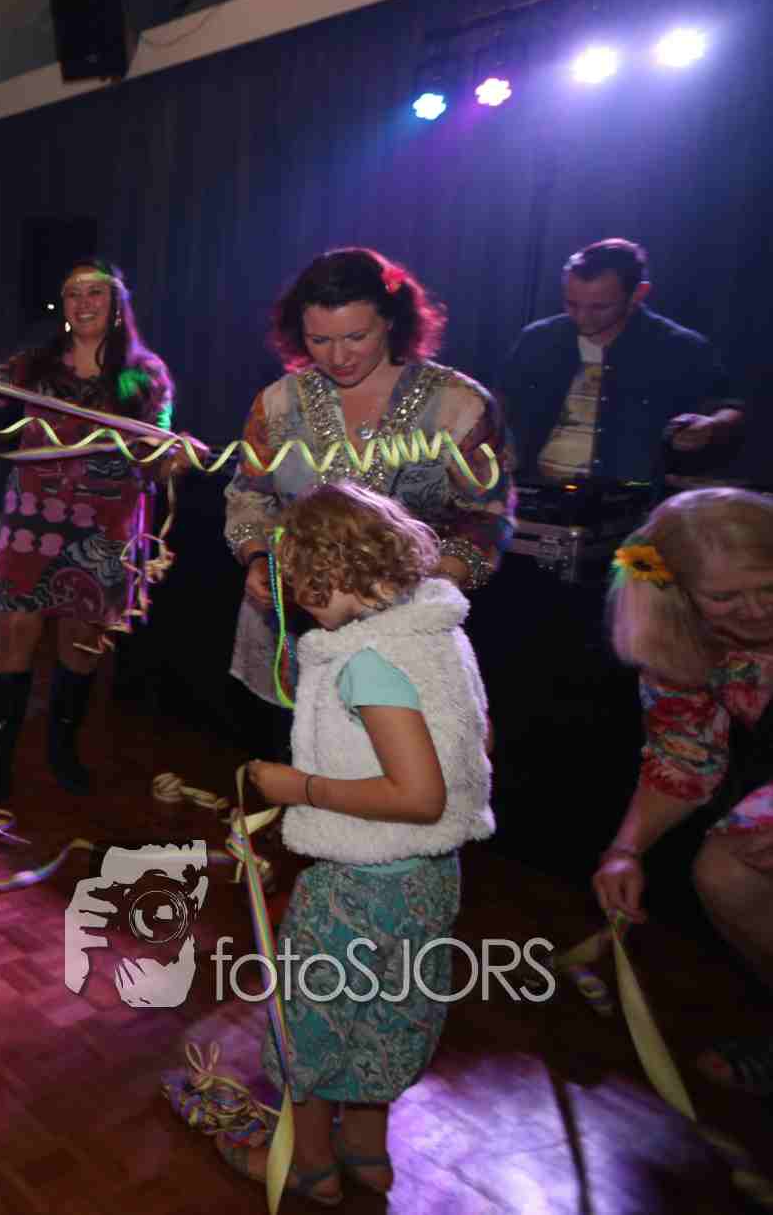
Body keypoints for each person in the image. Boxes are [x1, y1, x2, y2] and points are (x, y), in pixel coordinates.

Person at [234, 482, 497, 1204]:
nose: (303, 604)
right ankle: (367, 1153)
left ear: (345, 575)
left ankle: (311, 1164)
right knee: (388, 1014)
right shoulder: (439, 633)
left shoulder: (367, 661)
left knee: (313, 1018)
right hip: (431, 881)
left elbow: (418, 796)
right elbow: (477, 743)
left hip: (360, 885)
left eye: (308, 587)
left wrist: (300, 787)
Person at [225, 249, 514, 722]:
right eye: (319, 340)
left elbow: (488, 516)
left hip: (410, 630)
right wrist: (257, 557)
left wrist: (433, 586)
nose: (338, 357)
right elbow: (249, 495)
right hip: (297, 625)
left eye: (356, 337)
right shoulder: (279, 403)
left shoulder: (458, 405)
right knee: (299, 749)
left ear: (393, 322)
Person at [0, 260, 177, 802]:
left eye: (95, 292)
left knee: (81, 642)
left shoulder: (144, 374)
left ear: (116, 303)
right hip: (32, 520)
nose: (83, 303)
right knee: (14, 634)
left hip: (105, 527)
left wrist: (170, 456)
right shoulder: (35, 364)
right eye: (72, 293)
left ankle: (63, 752)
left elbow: (157, 455)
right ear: (63, 305)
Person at [593, 489, 773, 1095]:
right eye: (726, 597)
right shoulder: (686, 641)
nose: (756, 610)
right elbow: (683, 759)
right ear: (681, 595)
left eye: (770, 587)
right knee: (727, 868)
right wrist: (625, 851)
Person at [500, 239, 744, 485]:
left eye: (599, 307)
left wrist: (711, 426)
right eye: (572, 304)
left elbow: (729, 408)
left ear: (638, 293)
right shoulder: (538, 339)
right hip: (535, 490)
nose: (582, 317)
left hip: (632, 499)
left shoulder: (680, 347)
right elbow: (501, 404)